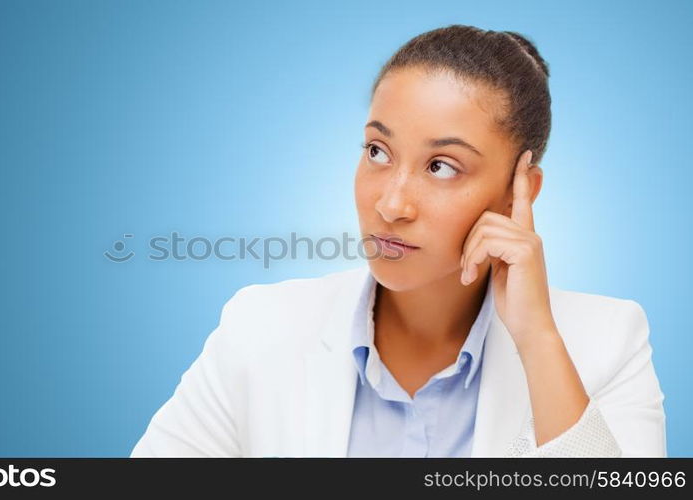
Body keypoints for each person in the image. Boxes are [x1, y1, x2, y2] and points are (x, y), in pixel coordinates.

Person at [129, 25, 666, 457]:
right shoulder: (259, 327)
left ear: (518, 192)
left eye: (441, 166)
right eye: (378, 152)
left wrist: (537, 338)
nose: (391, 205)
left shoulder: (607, 344)